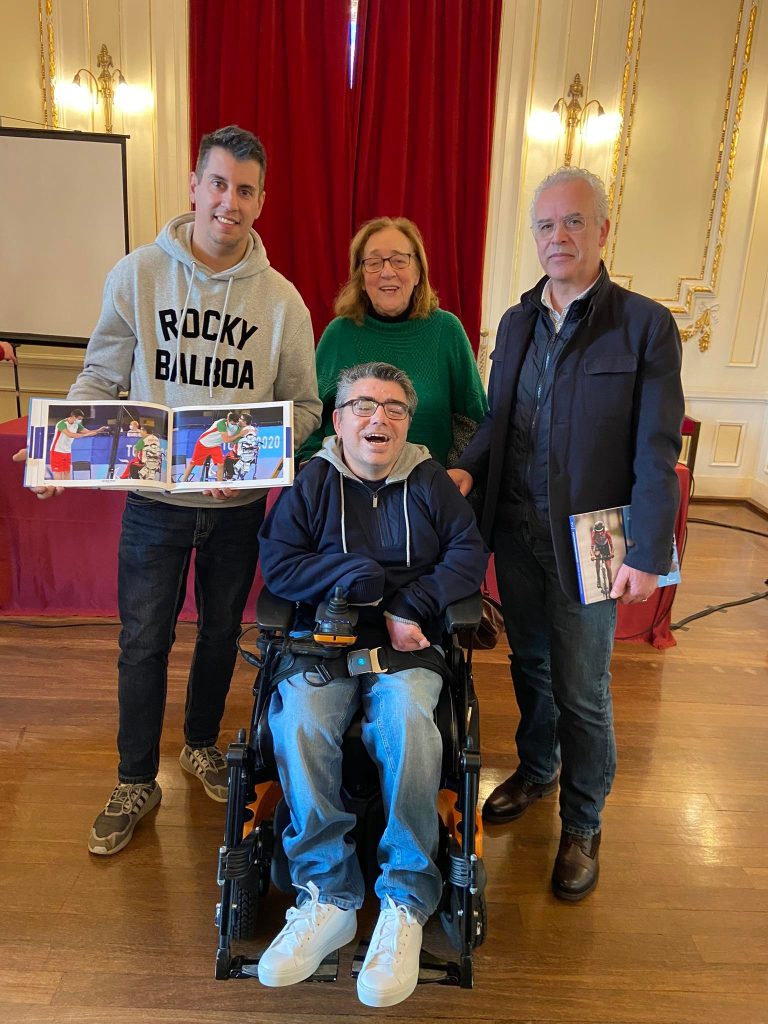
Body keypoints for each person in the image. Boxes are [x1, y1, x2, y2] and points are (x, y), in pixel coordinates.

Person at [14, 124, 321, 855]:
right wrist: (61, 453)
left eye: (244, 190)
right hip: (152, 505)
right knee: (143, 640)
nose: (229, 202)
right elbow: (100, 375)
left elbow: (305, 408)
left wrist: (244, 464)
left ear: (261, 201)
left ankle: (200, 745)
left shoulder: (283, 302)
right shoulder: (138, 274)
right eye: (218, 183)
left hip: (236, 511)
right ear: (194, 186)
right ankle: (133, 779)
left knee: (219, 633)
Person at [449, 166, 683, 900]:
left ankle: (583, 822)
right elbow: (499, 421)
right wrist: (465, 472)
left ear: (602, 230)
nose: (559, 237)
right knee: (531, 665)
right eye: (546, 225)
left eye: (574, 222)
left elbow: (655, 449)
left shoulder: (644, 325)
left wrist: (648, 550)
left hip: (596, 539)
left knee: (583, 689)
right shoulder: (518, 320)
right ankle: (539, 768)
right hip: (517, 530)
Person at [257, 362, 488, 1007]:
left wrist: (414, 603)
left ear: (408, 423)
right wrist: (348, 577)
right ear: (338, 420)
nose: (377, 418)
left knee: (408, 720)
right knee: (299, 718)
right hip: (324, 638)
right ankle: (327, 895)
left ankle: (405, 899)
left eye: (393, 408)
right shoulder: (313, 479)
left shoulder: (430, 480)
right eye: (362, 405)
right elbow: (278, 563)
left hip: (407, 641)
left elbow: (468, 554)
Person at [296, 217, 488, 467]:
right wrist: (311, 465)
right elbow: (310, 419)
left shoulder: (447, 330)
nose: (387, 272)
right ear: (361, 277)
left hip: (428, 487)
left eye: (399, 260)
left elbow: (474, 423)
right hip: (346, 486)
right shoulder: (339, 334)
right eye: (374, 263)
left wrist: (462, 471)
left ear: (418, 273)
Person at [179, 410, 252, 483]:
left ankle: (219, 484)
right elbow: (226, 440)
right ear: (228, 420)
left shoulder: (237, 428)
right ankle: (183, 482)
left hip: (215, 446)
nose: (232, 425)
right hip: (203, 443)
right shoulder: (221, 423)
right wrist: (239, 435)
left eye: (234, 424)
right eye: (231, 423)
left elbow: (234, 441)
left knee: (221, 464)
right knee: (193, 464)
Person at [48, 409, 109, 480]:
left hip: (67, 451)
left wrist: (98, 430)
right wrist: (84, 435)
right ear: (73, 417)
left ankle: (68, 486)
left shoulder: (77, 424)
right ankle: (58, 486)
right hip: (57, 450)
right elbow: (70, 435)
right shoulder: (62, 424)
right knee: (59, 472)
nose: (80, 421)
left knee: (67, 471)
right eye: (79, 419)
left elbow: (88, 432)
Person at [590, 520, 614, 593]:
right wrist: (592, 555)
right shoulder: (593, 534)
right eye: (598, 532)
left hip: (606, 546)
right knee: (597, 556)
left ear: (603, 530)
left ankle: (610, 584)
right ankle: (598, 577)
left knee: (608, 567)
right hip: (598, 546)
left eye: (601, 531)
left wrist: (612, 553)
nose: (599, 534)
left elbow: (611, 546)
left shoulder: (607, 532)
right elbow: (591, 548)